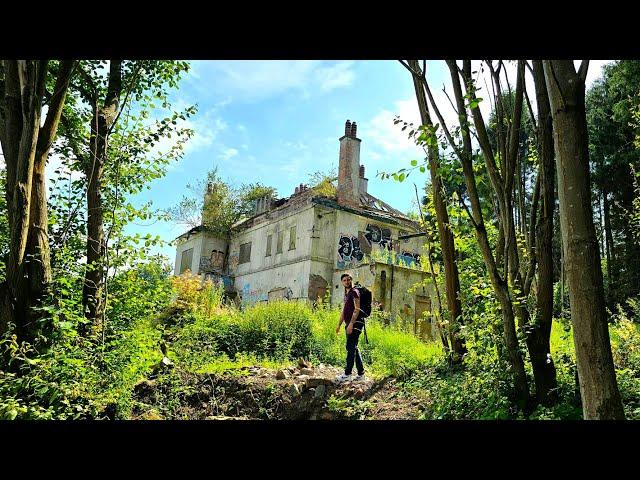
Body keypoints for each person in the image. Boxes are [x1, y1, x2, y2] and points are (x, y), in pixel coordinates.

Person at [335, 273, 365, 382]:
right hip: (349, 323)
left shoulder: (354, 292)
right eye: (344, 280)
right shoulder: (347, 294)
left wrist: (351, 324)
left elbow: (357, 309)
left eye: (348, 279)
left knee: (350, 347)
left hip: (355, 323)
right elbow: (344, 311)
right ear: (342, 282)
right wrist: (339, 325)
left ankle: (347, 374)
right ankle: (361, 374)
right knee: (353, 347)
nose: (347, 281)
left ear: (351, 280)